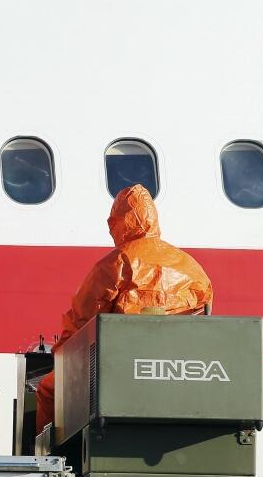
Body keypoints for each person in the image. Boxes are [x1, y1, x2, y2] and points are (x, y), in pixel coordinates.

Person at [34, 184, 214, 433]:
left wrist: (61, 357)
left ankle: (47, 453)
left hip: (119, 369)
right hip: (177, 370)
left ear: (119, 223)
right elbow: (206, 322)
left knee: (47, 390)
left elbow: (81, 322)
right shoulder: (192, 267)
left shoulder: (116, 263)